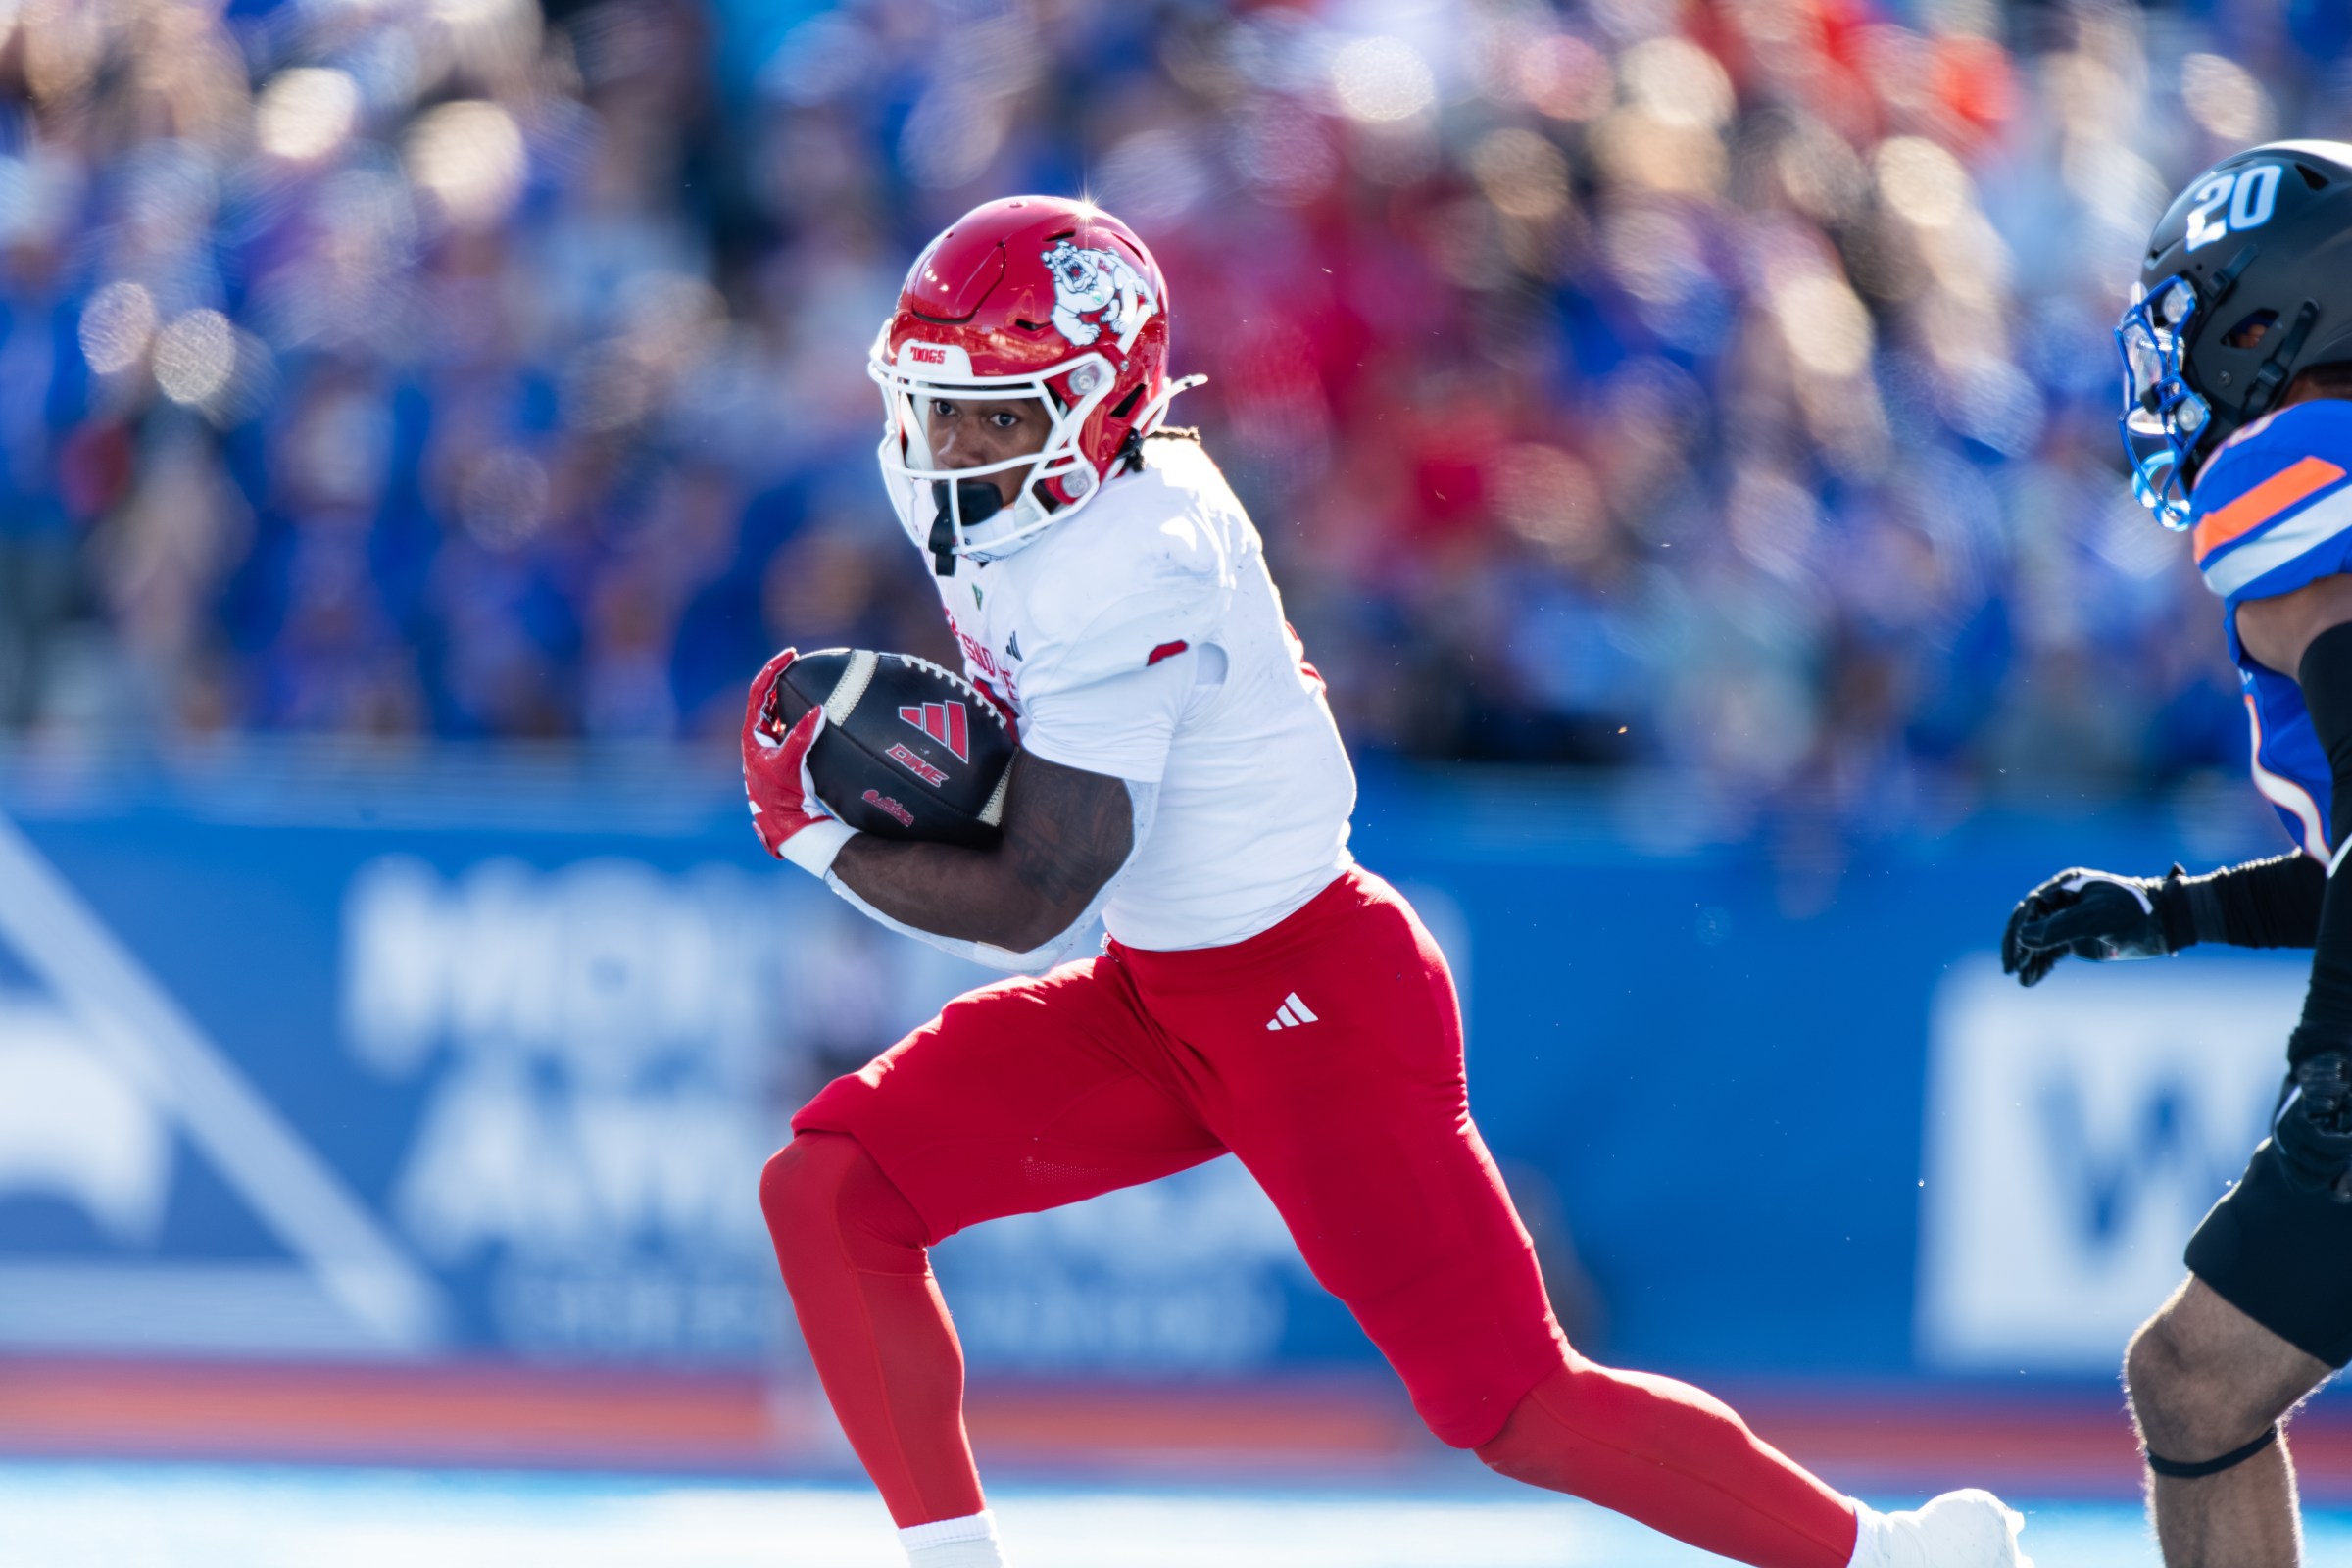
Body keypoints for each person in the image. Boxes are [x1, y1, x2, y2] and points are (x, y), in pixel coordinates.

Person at [746, 195, 2030, 1568]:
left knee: (1515, 1404)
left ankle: (1896, 1554)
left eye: (999, 417)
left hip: (1312, 1000)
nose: (951, 448)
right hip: (1159, 993)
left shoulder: (1135, 556)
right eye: (938, 407)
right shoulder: (1029, 502)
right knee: (834, 1187)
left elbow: (1031, 898)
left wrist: (814, 832)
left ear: (1103, 406)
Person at [2001, 139, 2352, 1568]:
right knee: (2196, 1374)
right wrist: (2176, 913)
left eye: (2198, 316)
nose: (2176, 363)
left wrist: (2337, 1067)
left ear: (2276, 316)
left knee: (2197, 1378)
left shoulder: (2298, 472)